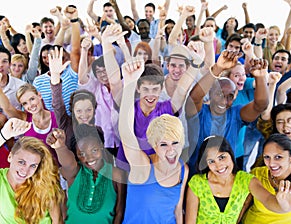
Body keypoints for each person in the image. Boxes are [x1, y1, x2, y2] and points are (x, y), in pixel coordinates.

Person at [118, 58, 188, 223]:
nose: (171, 149)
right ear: (154, 146)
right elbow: (126, 134)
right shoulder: (141, 167)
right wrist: (129, 83)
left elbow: (178, 211)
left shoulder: (183, 170)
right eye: (164, 144)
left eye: (175, 143)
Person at [186, 51, 269, 175]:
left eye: (229, 96)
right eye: (219, 94)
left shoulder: (236, 114)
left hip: (226, 176)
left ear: (235, 97)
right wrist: (218, 68)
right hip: (197, 175)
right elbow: (194, 98)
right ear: (210, 93)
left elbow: (260, 105)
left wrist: (260, 77)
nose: (224, 101)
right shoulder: (199, 113)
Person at [185, 135, 291, 224]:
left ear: (231, 155)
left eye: (222, 157)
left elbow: (268, 200)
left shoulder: (246, 180)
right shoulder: (197, 183)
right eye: (211, 161)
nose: (219, 165)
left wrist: (285, 206)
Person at [46, 124, 126, 223]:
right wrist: (60, 147)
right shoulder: (74, 172)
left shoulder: (117, 175)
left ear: (101, 146)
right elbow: (67, 163)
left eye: (94, 150)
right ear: (76, 154)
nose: (89, 158)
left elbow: (119, 212)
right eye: (82, 154)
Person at [0, 117, 64, 224]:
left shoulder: (45, 184)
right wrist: (3, 136)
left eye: (33, 165)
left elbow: (57, 221)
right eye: (21, 162)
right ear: (10, 157)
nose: (25, 170)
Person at [243, 133, 291, 223]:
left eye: (278, 157)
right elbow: (245, 203)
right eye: (267, 157)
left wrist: (286, 207)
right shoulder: (257, 173)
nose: (271, 163)